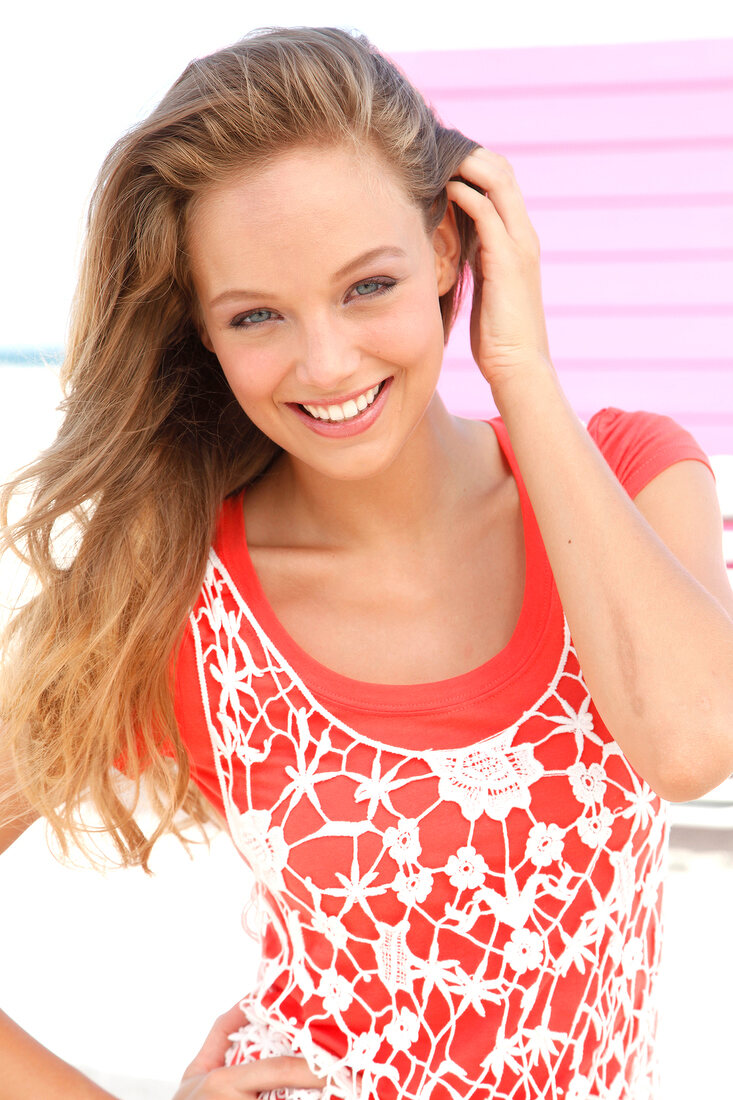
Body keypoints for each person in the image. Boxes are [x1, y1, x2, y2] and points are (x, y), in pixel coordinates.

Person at [1, 24, 732, 1100]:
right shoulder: (180, 600)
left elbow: (689, 744)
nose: (327, 361)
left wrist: (518, 362)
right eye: (256, 314)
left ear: (448, 248)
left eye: (368, 285)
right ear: (201, 330)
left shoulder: (631, 473)